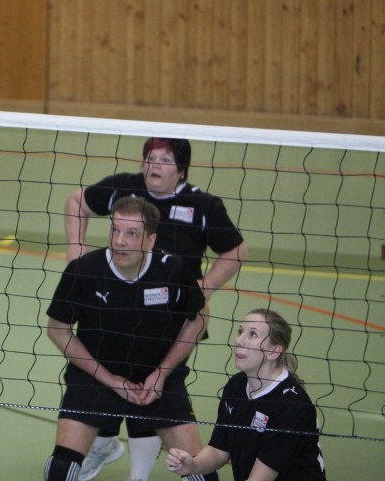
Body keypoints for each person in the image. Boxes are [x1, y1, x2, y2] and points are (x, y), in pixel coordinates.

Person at [63, 137, 248, 481]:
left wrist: (205, 286)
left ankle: (137, 473)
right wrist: (76, 251)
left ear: (181, 169)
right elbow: (77, 201)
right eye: (150, 158)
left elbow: (236, 250)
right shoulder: (125, 188)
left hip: (172, 318)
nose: (154, 166)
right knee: (106, 375)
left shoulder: (202, 205)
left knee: (151, 385)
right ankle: (104, 444)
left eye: (164, 160)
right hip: (115, 306)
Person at [44, 195, 217, 481]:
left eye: (132, 233)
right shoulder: (84, 271)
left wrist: (162, 373)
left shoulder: (172, 270)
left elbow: (199, 317)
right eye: (115, 229)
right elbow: (57, 329)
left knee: (201, 472)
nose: (119, 241)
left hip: (158, 379)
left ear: (150, 241)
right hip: (95, 378)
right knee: (61, 469)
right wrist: (109, 379)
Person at [167, 308, 327, 480]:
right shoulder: (236, 385)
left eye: (253, 334)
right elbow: (219, 450)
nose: (240, 341)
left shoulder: (291, 405)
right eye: (240, 331)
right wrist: (194, 464)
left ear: (273, 352)